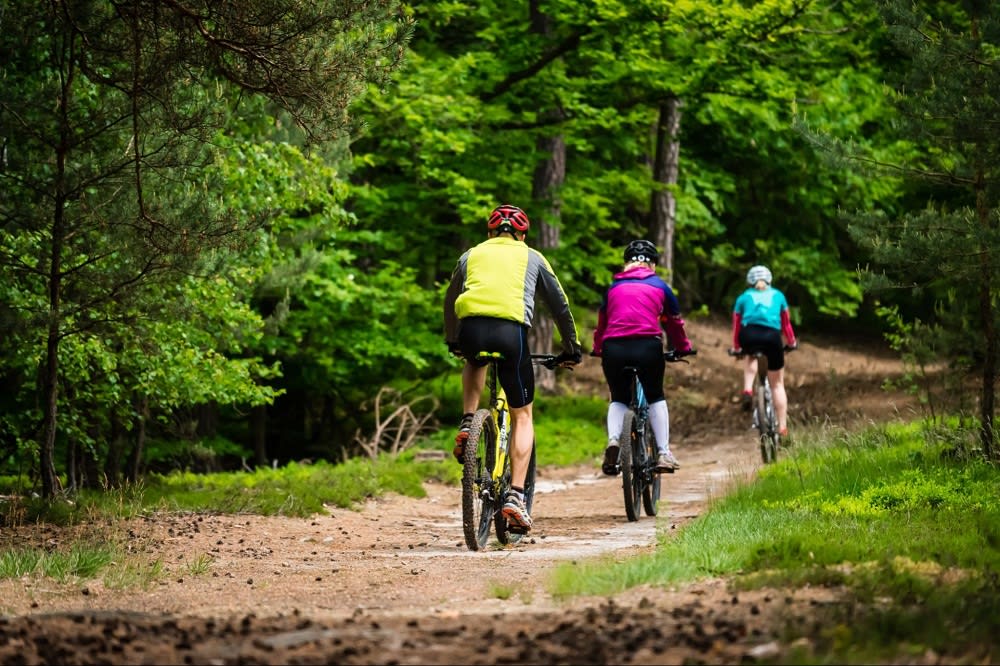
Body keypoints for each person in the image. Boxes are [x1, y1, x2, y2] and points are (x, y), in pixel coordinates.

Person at [443, 203, 583, 533]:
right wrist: (571, 348)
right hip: (511, 334)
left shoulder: (471, 254)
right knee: (522, 415)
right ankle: (516, 497)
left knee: (473, 357)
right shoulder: (532, 256)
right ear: (522, 234)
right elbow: (559, 304)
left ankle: (468, 420)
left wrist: (454, 341)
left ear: (490, 232)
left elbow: (451, 299)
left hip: (472, 329)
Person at [592, 239, 694, 475]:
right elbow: (674, 323)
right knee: (656, 396)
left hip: (614, 348)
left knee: (618, 397)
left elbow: (602, 324)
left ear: (626, 263)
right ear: (653, 264)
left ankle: (614, 441)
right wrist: (682, 348)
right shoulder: (660, 286)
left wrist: (598, 349)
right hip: (647, 346)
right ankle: (664, 453)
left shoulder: (612, 288)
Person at [730, 265, 798, 438]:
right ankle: (782, 427)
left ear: (749, 281)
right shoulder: (778, 295)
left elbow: (737, 326)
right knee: (777, 384)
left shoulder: (743, 297)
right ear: (769, 280)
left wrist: (737, 347)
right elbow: (786, 324)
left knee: (750, 356)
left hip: (749, 335)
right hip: (772, 337)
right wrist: (792, 343)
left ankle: (747, 389)